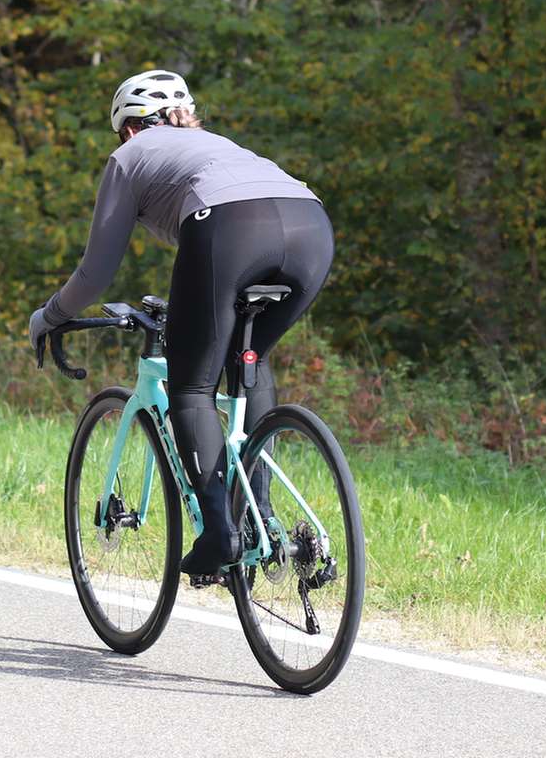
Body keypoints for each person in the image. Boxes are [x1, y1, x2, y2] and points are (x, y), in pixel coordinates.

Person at [29, 69, 333, 578]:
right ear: (184, 116)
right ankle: (262, 516)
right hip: (312, 227)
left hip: (232, 227)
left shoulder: (131, 155)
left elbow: (96, 272)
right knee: (248, 360)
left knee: (191, 386)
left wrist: (50, 316)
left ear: (128, 129)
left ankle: (221, 532)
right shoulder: (218, 146)